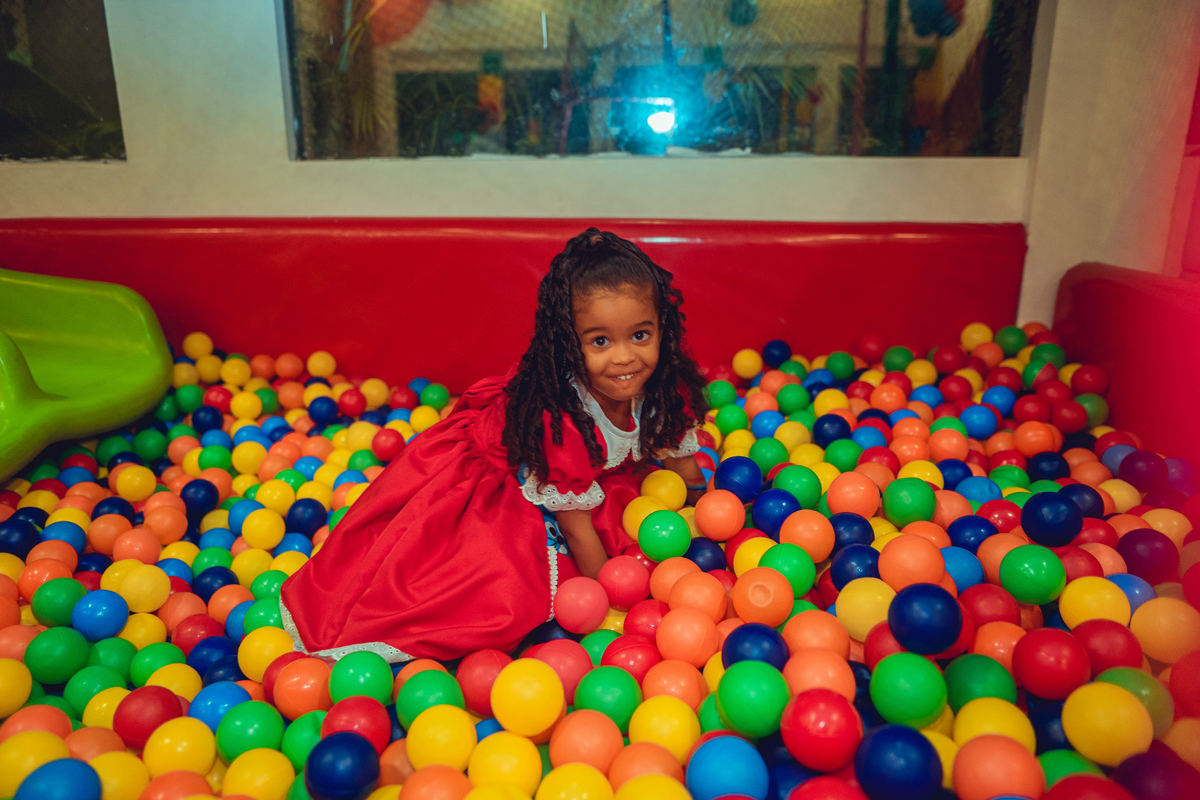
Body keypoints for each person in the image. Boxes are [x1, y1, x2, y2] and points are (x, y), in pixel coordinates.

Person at [280, 229, 709, 663]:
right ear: (570, 345)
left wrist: (705, 509)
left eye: (640, 335)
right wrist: (613, 601)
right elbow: (577, 527)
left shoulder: (663, 385)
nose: (624, 358)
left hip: (584, 478)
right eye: (600, 341)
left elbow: (681, 458)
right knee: (494, 590)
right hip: (500, 478)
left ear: (662, 330)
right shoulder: (562, 421)